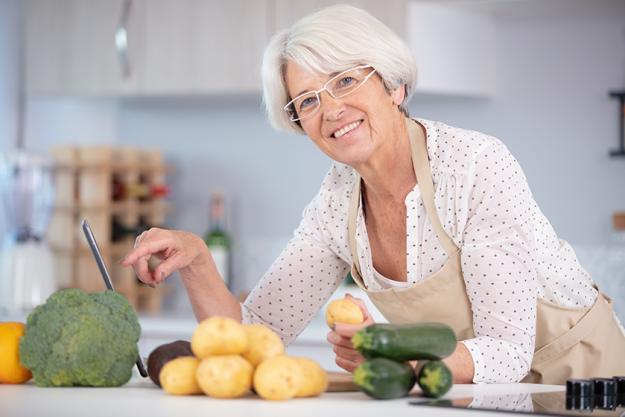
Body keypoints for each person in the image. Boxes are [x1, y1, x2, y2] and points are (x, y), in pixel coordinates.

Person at [119, 5, 625, 384]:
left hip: (582, 385)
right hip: (471, 392)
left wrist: (401, 361)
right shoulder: (335, 205)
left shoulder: (475, 166)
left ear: (393, 86)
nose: (332, 109)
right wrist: (198, 262)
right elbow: (254, 337)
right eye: (309, 100)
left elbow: (511, 353)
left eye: (344, 80)